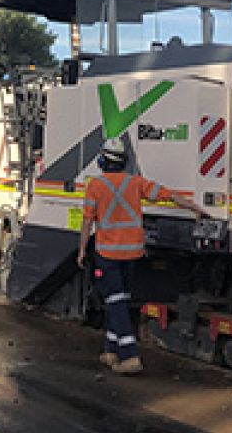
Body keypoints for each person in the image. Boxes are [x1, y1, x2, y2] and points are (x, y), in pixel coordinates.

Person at [77, 138, 205, 374]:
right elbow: (167, 194)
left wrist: (83, 249)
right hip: (133, 253)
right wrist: (194, 207)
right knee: (121, 300)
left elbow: (87, 221)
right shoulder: (136, 183)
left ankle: (130, 356)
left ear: (102, 160)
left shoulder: (95, 186)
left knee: (115, 303)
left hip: (108, 253)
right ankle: (111, 351)